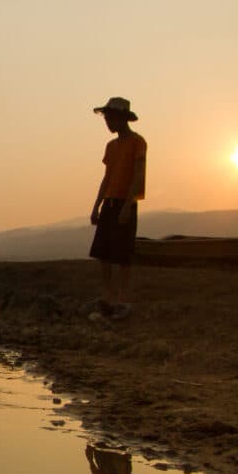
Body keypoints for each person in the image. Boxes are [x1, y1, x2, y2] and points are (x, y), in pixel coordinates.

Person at [89, 96, 147, 320]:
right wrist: (97, 205)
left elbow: (138, 175)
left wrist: (129, 204)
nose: (108, 123)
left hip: (125, 202)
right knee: (103, 252)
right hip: (110, 202)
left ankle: (123, 298)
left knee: (122, 254)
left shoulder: (138, 142)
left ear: (122, 118)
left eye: (110, 118)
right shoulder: (111, 147)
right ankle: (108, 295)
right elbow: (107, 178)